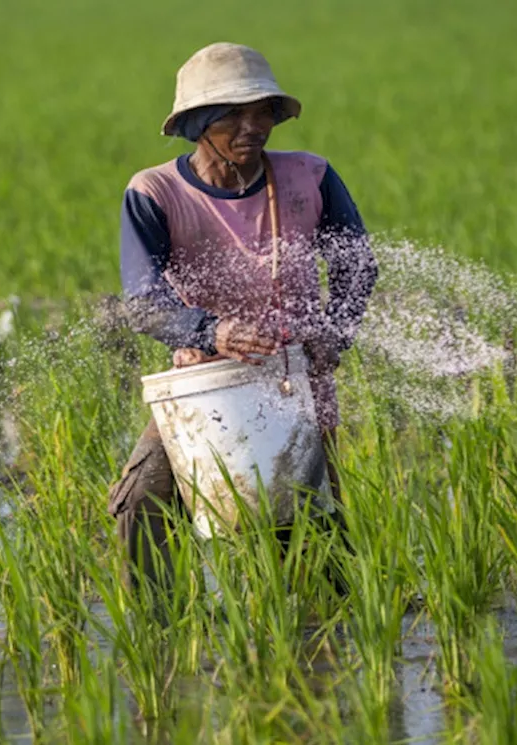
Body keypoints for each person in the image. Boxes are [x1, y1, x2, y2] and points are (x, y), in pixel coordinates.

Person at [108, 42, 378, 592]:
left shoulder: (309, 177)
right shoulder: (155, 193)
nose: (253, 126)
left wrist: (334, 335)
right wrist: (212, 331)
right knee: (142, 503)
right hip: (203, 382)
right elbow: (144, 300)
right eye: (233, 114)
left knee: (305, 527)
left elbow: (358, 267)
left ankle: (335, 642)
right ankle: (162, 634)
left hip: (292, 379)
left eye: (263, 113)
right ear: (197, 123)